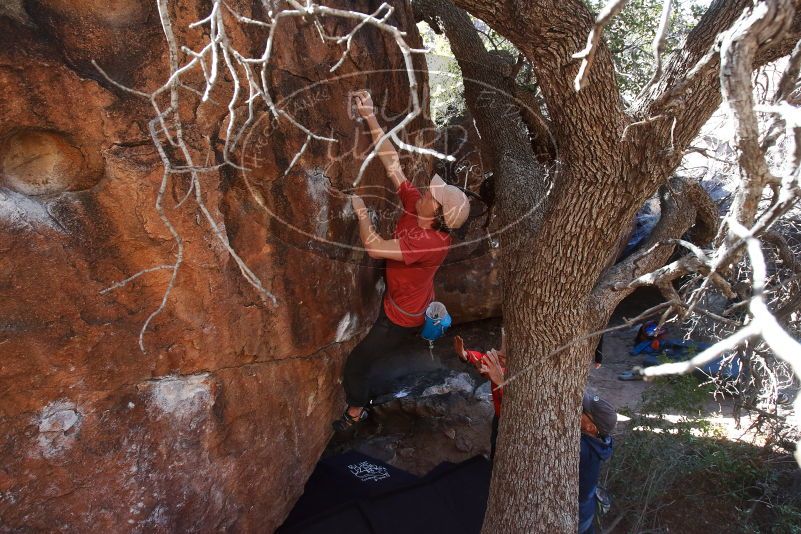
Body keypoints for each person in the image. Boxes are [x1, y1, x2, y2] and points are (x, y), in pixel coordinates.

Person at [333, 90, 470, 432]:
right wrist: (369, 116)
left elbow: (376, 248)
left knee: (357, 364)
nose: (425, 191)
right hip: (406, 294)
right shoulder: (417, 209)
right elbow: (393, 165)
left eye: (431, 196)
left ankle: (355, 411)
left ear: (437, 215)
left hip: (400, 317)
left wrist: (362, 213)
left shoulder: (430, 241)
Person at [453, 333, 506, 457]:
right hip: (499, 415)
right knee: (495, 443)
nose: (498, 354)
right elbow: (480, 358)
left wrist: (500, 383)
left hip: (510, 420)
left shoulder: (508, 371)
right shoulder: (498, 363)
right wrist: (465, 354)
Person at [579, 391, 617, 534]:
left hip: (578, 516)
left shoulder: (582, 449)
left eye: (582, 410)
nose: (578, 409)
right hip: (587, 511)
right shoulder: (601, 441)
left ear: (590, 427)